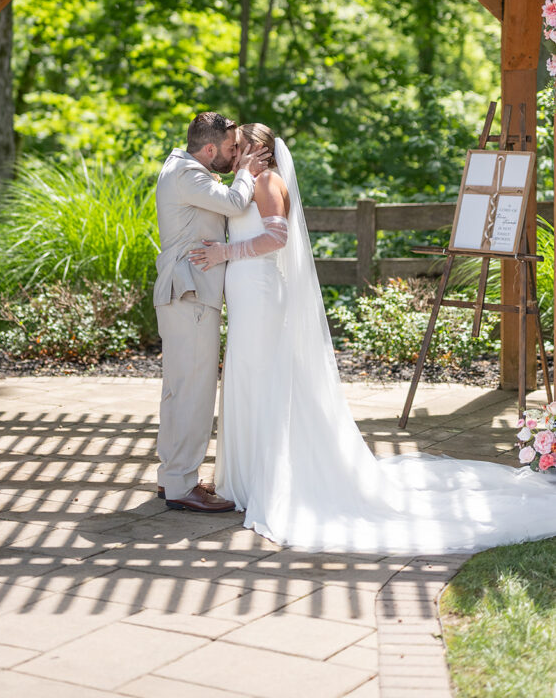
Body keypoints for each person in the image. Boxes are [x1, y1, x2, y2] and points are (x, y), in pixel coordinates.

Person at [190, 123, 556, 554]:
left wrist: (223, 253)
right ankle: (245, 475)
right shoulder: (246, 181)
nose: (233, 154)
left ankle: (268, 480)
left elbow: (277, 236)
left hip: (261, 291)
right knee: (247, 378)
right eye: (233, 149)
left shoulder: (268, 181)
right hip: (248, 294)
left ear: (261, 151)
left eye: (240, 147)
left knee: (263, 379)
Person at [154, 111, 269, 513]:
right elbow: (236, 203)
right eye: (231, 148)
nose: (235, 153)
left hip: (184, 293)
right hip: (189, 293)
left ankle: (173, 476)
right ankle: (182, 485)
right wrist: (249, 171)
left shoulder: (181, 168)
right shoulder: (190, 175)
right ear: (209, 148)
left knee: (180, 389)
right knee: (193, 392)